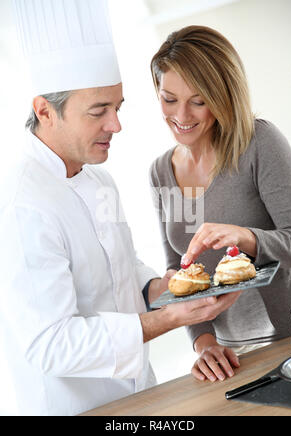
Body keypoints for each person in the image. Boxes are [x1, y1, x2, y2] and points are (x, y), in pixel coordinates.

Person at [0, 3, 240, 416]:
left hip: (139, 399)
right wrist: (169, 319)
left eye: (118, 107)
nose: (116, 125)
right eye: (99, 112)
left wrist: (162, 290)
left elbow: (120, 268)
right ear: (44, 111)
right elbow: (50, 344)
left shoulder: (97, 178)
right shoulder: (22, 205)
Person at [149, 25, 291, 384]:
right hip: (227, 359)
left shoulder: (259, 143)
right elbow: (178, 273)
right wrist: (204, 345)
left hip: (289, 340)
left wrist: (248, 237)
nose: (181, 116)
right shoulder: (159, 172)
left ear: (222, 95)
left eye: (198, 101)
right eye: (169, 99)